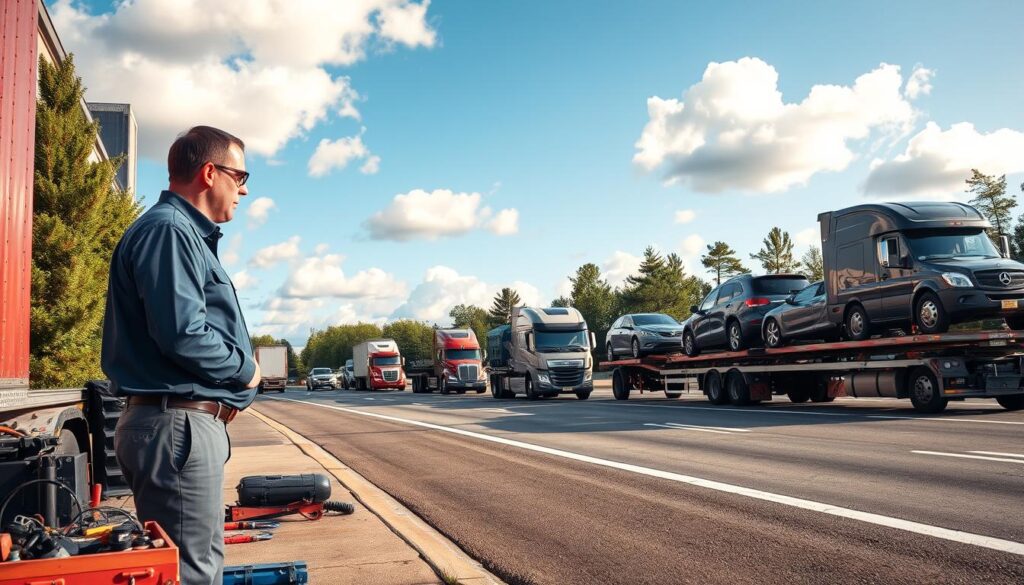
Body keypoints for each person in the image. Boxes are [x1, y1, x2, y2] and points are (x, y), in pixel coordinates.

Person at [101, 125, 261, 585]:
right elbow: (182, 334)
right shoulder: (171, 232)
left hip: (175, 425)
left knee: (189, 562)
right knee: (193, 572)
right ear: (210, 173)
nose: (244, 190)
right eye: (241, 176)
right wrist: (244, 371)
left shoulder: (178, 233)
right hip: (177, 426)